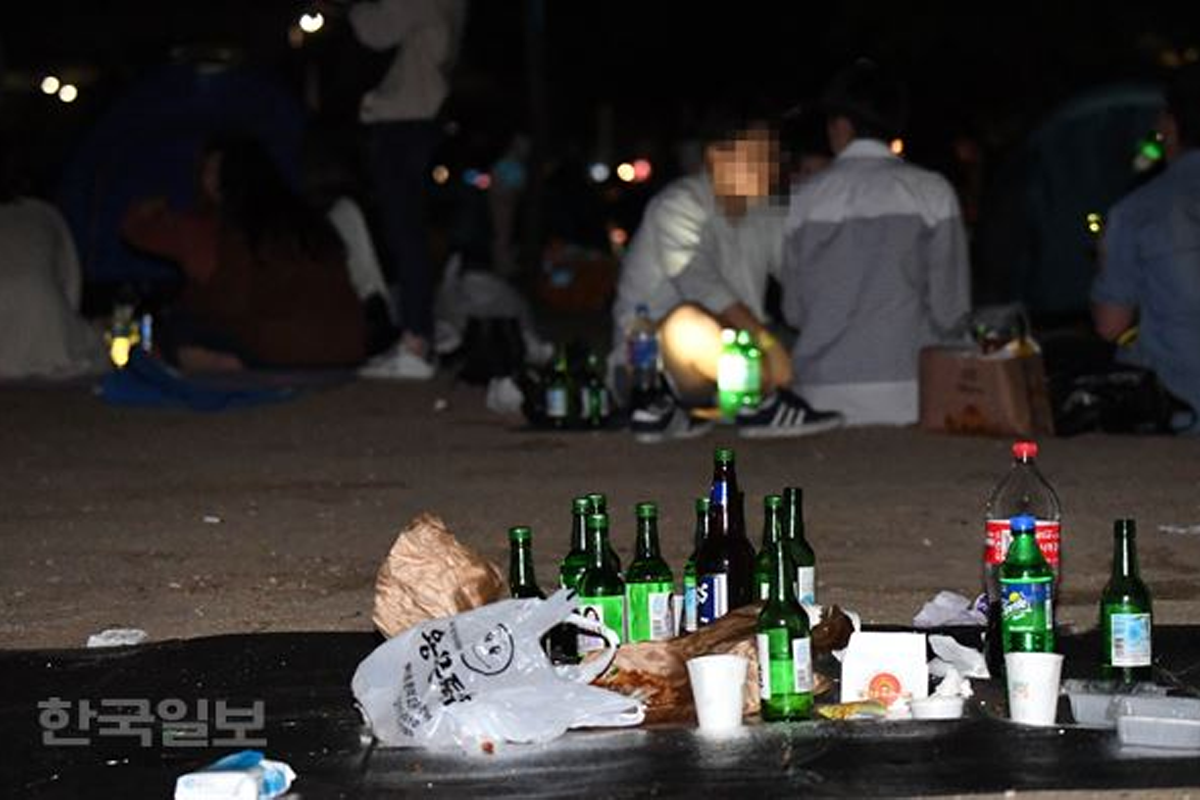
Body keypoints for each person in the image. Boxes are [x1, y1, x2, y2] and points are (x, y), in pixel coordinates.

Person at [611, 110, 843, 442]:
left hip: (733, 362)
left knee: (807, 346)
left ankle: (741, 402)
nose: (771, 164)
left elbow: (805, 278)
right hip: (654, 366)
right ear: (716, 155)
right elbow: (700, 283)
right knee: (685, 324)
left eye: (773, 155)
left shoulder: (766, 213)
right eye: (759, 154)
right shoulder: (679, 205)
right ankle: (757, 402)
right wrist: (767, 344)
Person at [780, 59, 971, 426]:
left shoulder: (805, 199)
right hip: (915, 392)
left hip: (821, 392)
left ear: (840, 126)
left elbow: (795, 313)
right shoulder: (932, 192)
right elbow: (951, 311)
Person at [121, 137, 366, 371]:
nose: (207, 180)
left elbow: (228, 301)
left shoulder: (232, 227)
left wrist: (154, 207)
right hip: (347, 347)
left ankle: (223, 365)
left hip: (285, 348)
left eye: (212, 172)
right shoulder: (307, 219)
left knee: (179, 329)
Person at [345, 0, 468, 380]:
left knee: (405, 232)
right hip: (420, 118)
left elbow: (373, 29)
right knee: (409, 232)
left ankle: (416, 340)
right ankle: (420, 333)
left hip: (406, 120)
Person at [1091, 62, 1200, 432]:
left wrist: (1108, 262)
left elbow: (1110, 325)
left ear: (1169, 126)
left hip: (1181, 410)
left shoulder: (1138, 209)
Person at [0, 141, 106, 378]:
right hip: (43, 320)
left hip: (37, 312)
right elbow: (70, 284)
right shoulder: (45, 214)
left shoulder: (41, 216)